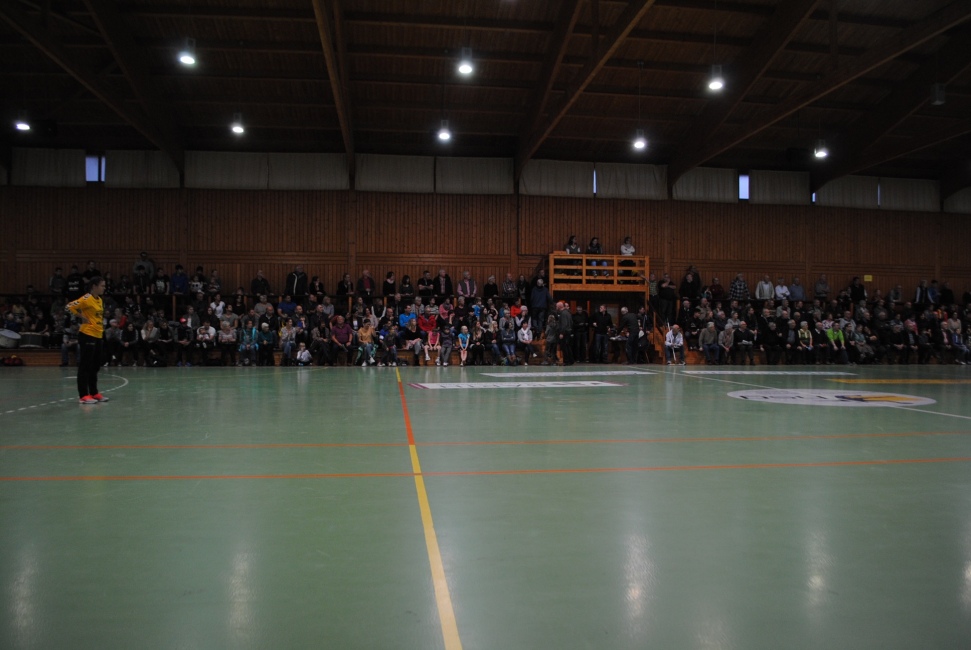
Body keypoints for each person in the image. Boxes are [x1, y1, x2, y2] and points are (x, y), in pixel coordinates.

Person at [67, 276, 108, 404]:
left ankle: (94, 392)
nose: (104, 288)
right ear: (94, 286)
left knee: (95, 365)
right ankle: (83, 395)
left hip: (98, 334)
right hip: (87, 334)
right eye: (102, 286)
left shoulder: (99, 300)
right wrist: (80, 316)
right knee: (85, 365)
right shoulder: (86, 298)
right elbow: (69, 306)